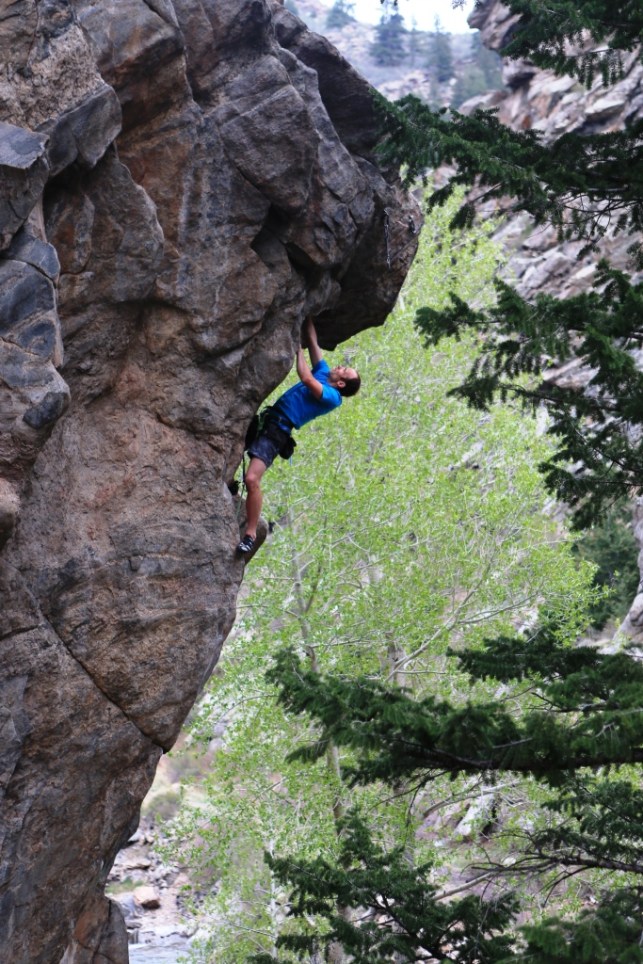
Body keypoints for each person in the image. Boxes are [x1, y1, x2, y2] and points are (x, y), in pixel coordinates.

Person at [237, 317, 361, 554]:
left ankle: (250, 534)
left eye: (344, 370)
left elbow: (305, 377)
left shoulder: (332, 397)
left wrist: (297, 347)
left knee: (252, 479)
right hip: (269, 418)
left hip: (278, 431)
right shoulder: (325, 373)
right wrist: (307, 315)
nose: (340, 366)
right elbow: (314, 342)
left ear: (342, 384)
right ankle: (231, 485)